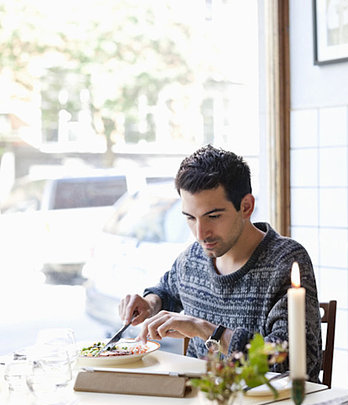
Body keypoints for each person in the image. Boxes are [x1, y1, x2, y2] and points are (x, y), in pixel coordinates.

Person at [119, 145, 322, 382]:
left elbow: (292, 360)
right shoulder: (194, 258)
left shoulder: (286, 261)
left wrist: (207, 331)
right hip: (202, 401)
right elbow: (167, 291)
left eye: (213, 216)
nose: (200, 233)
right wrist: (149, 304)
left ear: (246, 207)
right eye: (190, 218)